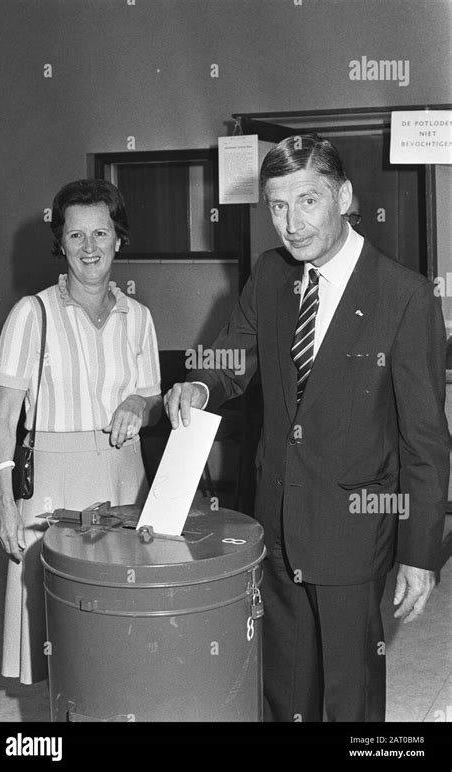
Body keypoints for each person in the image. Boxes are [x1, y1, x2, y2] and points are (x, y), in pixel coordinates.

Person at [165, 135, 450, 722]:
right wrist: (200, 384)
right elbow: (234, 355)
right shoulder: (271, 275)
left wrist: (420, 552)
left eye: (307, 200)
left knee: (351, 693)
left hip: (352, 528)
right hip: (274, 517)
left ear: (344, 196)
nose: (291, 224)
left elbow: (425, 438)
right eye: (276, 206)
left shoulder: (405, 295)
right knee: (283, 687)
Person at [0, 179, 162, 685]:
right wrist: (2, 502)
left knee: (125, 626)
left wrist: (139, 402)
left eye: (101, 234)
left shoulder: (141, 318)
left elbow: (151, 403)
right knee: (62, 637)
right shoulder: (30, 313)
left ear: (119, 239)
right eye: (76, 236)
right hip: (53, 488)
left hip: (125, 481)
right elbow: (2, 416)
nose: (90, 248)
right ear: (60, 243)